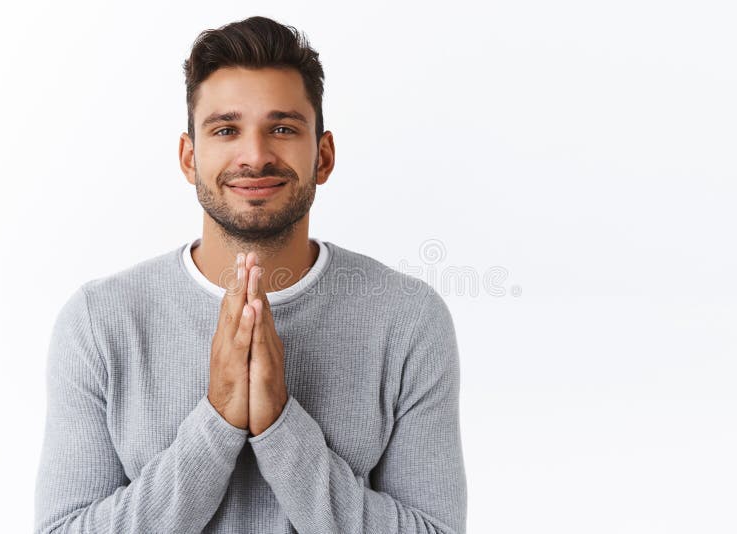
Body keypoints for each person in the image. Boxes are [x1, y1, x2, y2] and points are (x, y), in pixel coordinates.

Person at [34, 15, 466, 534]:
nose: (256, 156)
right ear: (190, 157)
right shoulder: (97, 323)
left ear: (323, 156)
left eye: (282, 128)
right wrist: (216, 421)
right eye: (226, 130)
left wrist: (281, 428)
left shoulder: (409, 320)